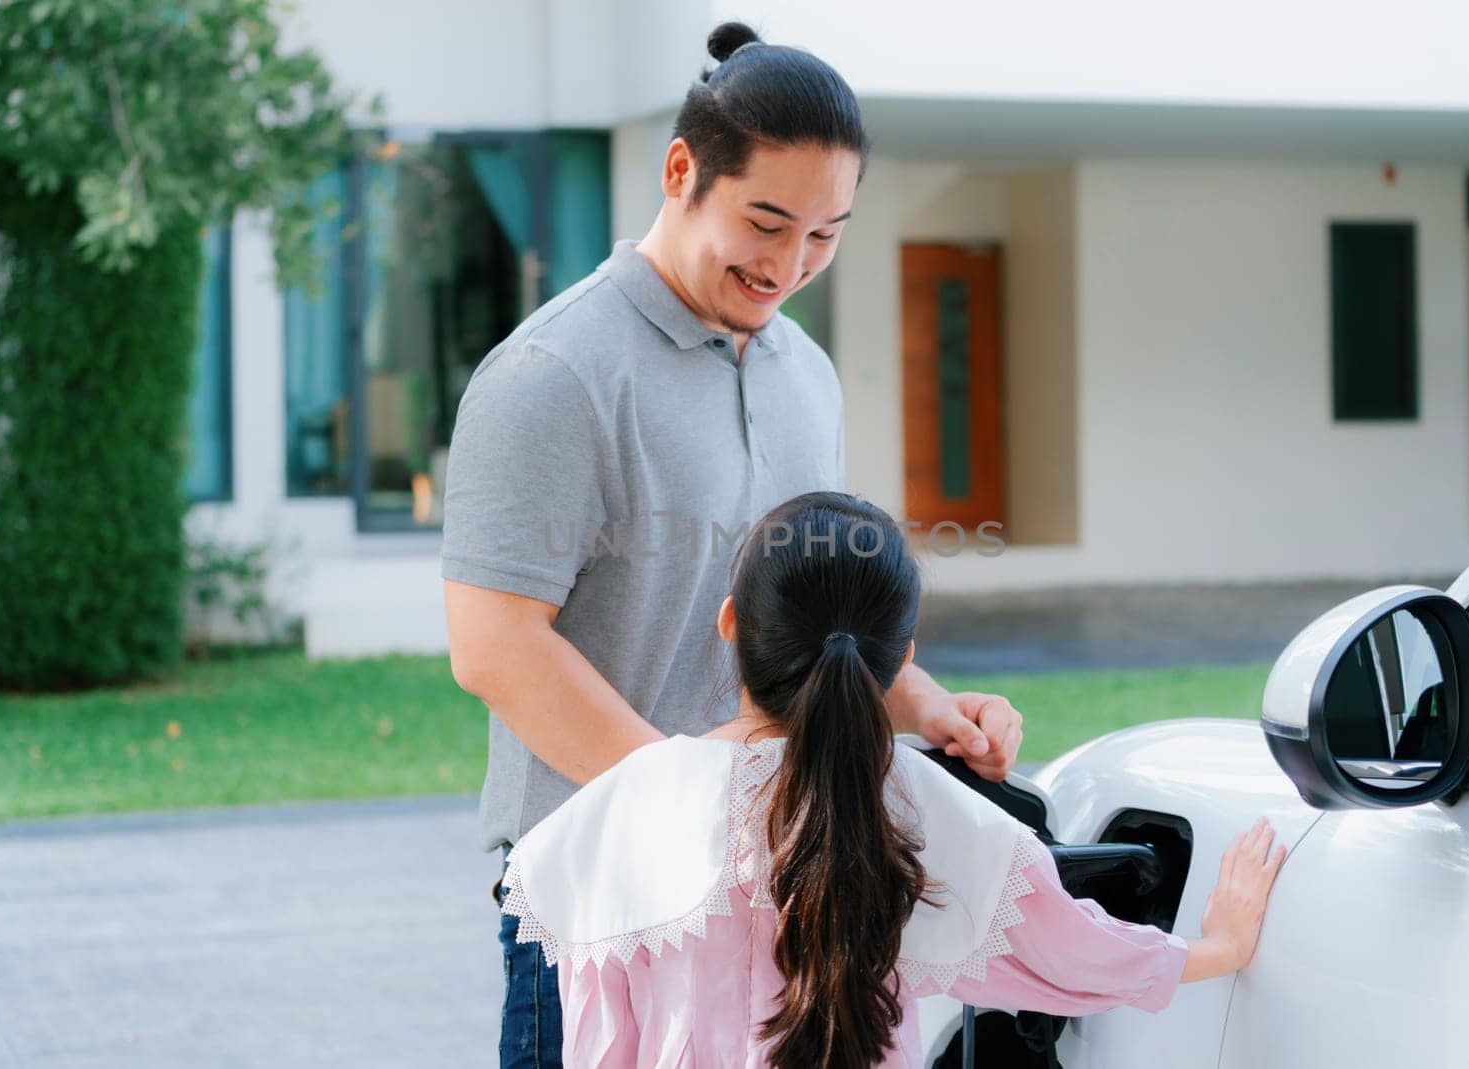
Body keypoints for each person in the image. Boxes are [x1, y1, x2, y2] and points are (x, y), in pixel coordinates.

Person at [440, 22, 1026, 1068]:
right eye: (766, 221)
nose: (789, 263)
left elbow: (809, 601)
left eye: (824, 234)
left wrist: (924, 703)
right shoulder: (551, 376)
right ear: (681, 172)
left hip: (774, 900)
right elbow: (493, 647)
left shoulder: (806, 374)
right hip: (598, 907)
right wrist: (691, 811)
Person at [498, 492, 1287, 1068]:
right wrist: (1217, 946)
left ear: (732, 622)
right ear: (901, 659)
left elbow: (600, 1042)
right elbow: (1070, 949)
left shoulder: (614, 812)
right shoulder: (912, 797)